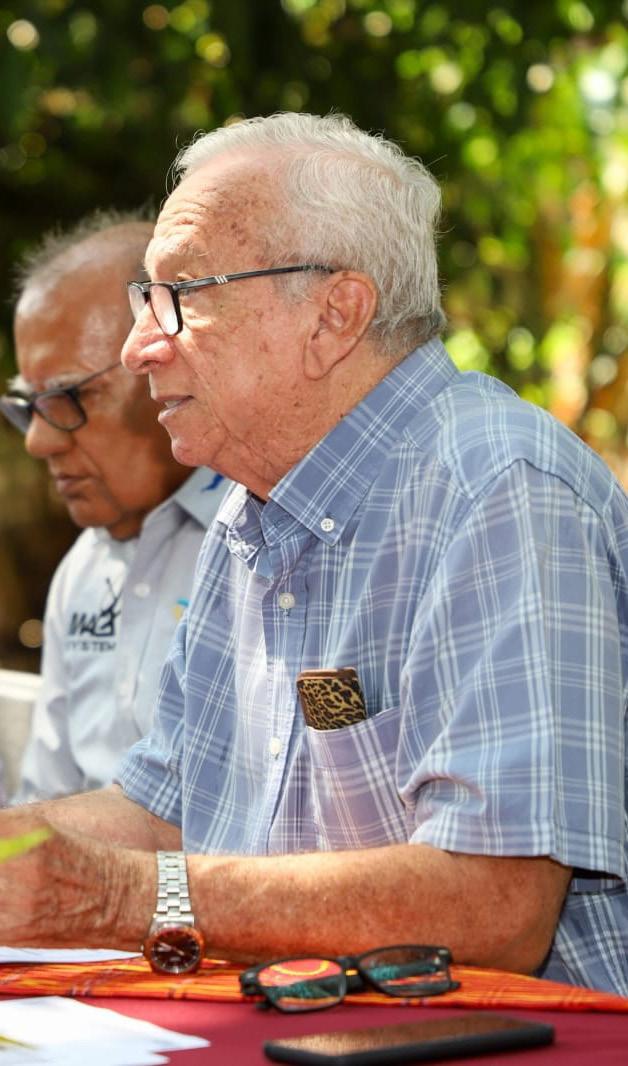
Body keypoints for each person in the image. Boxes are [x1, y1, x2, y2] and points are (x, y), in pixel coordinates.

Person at [1, 113, 626, 995]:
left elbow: (496, 905)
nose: (139, 347)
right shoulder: (253, 507)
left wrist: (120, 897)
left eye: (181, 294)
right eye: (146, 298)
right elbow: (163, 806)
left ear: (335, 314)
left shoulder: (496, 488)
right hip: (317, 1029)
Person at [1, 211, 229, 801]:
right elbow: (47, 802)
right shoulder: (82, 571)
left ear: (167, 363)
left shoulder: (265, 540)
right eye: (28, 406)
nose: (38, 441)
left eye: (70, 395)